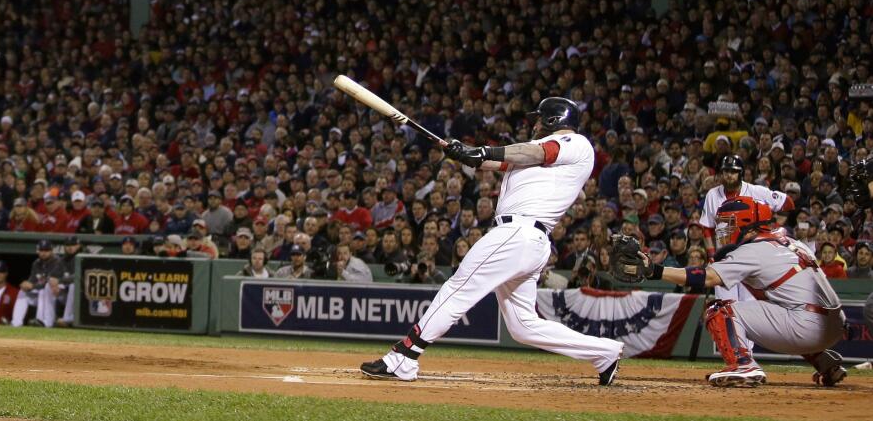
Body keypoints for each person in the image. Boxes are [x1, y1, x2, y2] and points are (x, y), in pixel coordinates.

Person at [362, 98, 624, 386]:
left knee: (458, 287)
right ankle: (604, 353)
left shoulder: (574, 144)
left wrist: (482, 150)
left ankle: (404, 357)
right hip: (525, 239)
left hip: (518, 233)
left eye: (539, 119)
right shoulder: (535, 157)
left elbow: (533, 152)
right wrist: (461, 151)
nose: (534, 124)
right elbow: (497, 160)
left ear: (553, 120)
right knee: (523, 326)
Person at [630, 199, 846, 387]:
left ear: (745, 223)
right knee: (782, 305)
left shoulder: (752, 249)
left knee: (719, 310)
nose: (724, 229)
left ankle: (743, 365)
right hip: (835, 324)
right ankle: (827, 364)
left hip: (806, 326)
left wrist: (656, 270)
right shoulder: (792, 242)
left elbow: (707, 278)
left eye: (728, 223)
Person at [699, 153, 794, 355]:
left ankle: (747, 355)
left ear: (741, 173)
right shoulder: (712, 195)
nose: (729, 175)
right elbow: (706, 227)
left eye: (733, 172)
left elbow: (788, 203)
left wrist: (772, 226)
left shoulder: (756, 192)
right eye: (726, 171)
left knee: (749, 308)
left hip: (753, 258)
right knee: (725, 307)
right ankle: (735, 354)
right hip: (725, 259)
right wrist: (711, 254)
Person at [12, 239, 68, 327]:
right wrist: (26, 284)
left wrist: (32, 286)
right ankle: (16, 323)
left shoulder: (58, 262)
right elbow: (32, 280)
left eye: (46, 250)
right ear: (38, 250)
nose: (43, 253)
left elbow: (49, 281)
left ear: (51, 250)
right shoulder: (36, 263)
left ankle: (43, 322)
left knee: (45, 289)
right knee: (23, 291)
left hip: (59, 294)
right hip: (43, 294)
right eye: (41, 250)